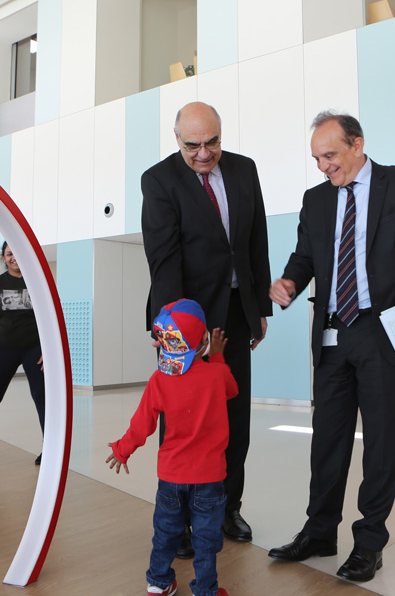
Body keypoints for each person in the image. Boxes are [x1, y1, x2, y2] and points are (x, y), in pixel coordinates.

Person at [267, 111, 395, 582]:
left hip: (385, 330)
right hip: (332, 334)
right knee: (327, 438)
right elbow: (306, 254)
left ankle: (369, 542)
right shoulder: (316, 200)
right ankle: (320, 530)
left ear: (357, 144)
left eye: (330, 155)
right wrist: (289, 281)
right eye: (317, 159)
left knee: (382, 440)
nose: (324, 166)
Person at [140, 101, 272, 550]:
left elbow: (256, 243)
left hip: (235, 314)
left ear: (221, 135)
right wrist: (176, 330)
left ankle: (226, 508)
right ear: (176, 139)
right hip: (186, 318)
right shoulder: (159, 181)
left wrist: (259, 311)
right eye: (192, 144)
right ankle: (176, 522)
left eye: (212, 142)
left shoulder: (243, 170)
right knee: (182, 422)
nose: (203, 153)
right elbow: (164, 259)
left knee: (233, 417)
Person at [107, 299, 236, 596]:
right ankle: (205, 589)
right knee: (206, 538)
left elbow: (142, 424)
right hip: (209, 477)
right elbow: (232, 390)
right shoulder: (217, 376)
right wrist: (216, 357)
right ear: (204, 340)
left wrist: (121, 449)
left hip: (170, 477)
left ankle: (159, 582)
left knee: (165, 532)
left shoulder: (159, 379)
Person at [0, 241, 45, 465]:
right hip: (2, 349)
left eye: (17, 252)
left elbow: (50, 317)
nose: (14, 257)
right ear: (3, 258)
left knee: (42, 398)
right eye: (9, 253)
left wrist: (49, 350)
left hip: (33, 349)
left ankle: (51, 449)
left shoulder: (38, 282)